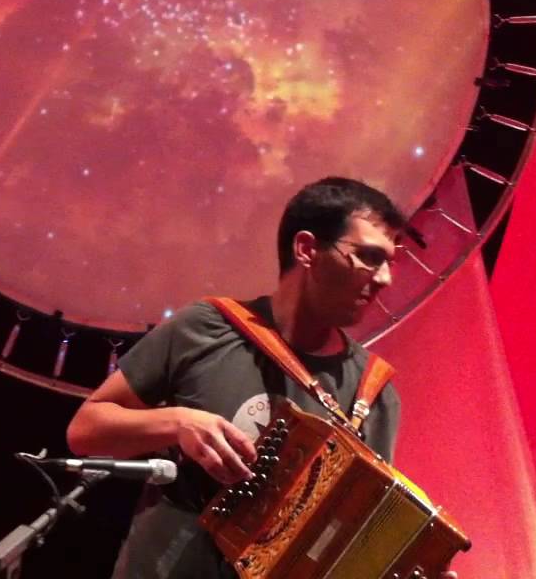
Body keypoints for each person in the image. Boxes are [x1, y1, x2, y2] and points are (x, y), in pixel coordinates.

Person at [68, 177, 443, 579]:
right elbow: (85, 431)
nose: (384, 278)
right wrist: (177, 422)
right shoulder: (206, 328)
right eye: (368, 257)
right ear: (307, 249)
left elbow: (354, 532)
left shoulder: (376, 392)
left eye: (389, 261)